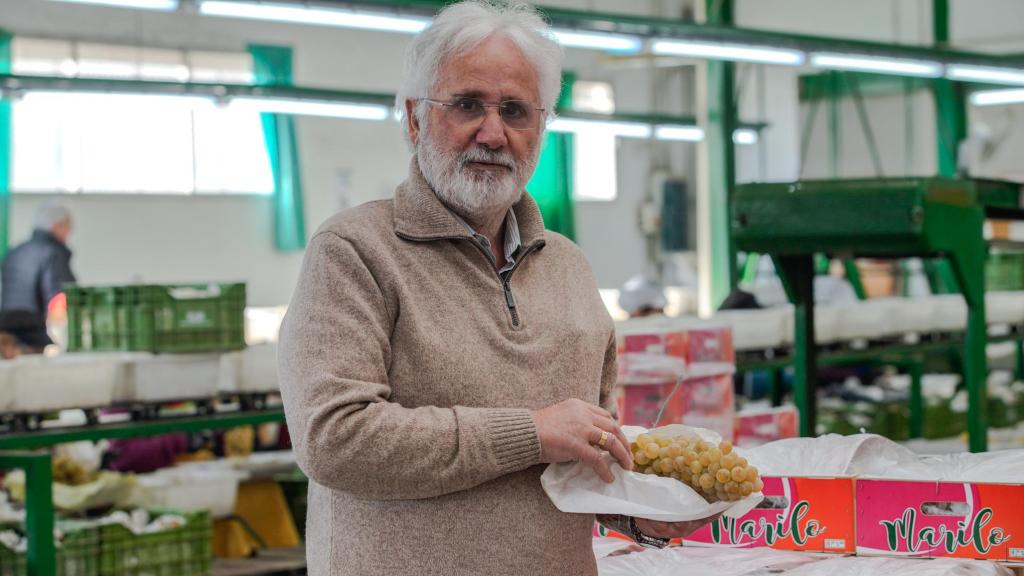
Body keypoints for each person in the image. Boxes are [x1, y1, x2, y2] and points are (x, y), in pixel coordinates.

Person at [278, 2, 713, 575]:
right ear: (413, 119)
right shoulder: (354, 250)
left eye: (515, 110)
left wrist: (637, 513)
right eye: (466, 105)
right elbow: (334, 438)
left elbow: (584, 460)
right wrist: (529, 433)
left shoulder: (569, 268)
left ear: (541, 127)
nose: (493, 132)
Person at [1, 203, 76, 318]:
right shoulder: (53, 253)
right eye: (67, 226)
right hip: (36, 328)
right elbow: (58, 298)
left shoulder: (14, 252)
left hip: (6, 327)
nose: (69, 231)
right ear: (57, 225)